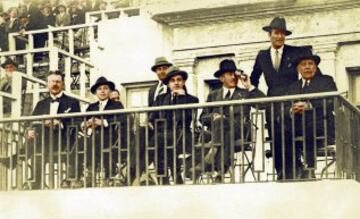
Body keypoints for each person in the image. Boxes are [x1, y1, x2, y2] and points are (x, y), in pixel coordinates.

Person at [249, 16, 310, 180]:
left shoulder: (294, 52)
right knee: (275, 135)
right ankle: (281, 171)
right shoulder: (262, 55)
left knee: (289, 131)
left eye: (282, 33)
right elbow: (254, 78)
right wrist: (249, 91)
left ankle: (296, 167)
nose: (279, 37)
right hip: (272, 101)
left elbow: (307, 70)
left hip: (291, 97)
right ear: (269, 35)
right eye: (276, 33)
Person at [0, 71, 81, 189]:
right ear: (47, 84)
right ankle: (35, 182)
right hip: (44, 142)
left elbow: (77, 122)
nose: (55, 84)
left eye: (58, 81)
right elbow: (31, 122)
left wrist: (61, 124)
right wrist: (30, 130)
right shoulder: (41, 104)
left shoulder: (72, 102)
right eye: (52, 81)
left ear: (62, 84)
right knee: (39, 140)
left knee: (39, 139)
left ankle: (17, 160)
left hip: (64, 141)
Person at [199, 59, 265, 182]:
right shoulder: (213, 95)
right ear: (221, 78)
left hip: (239, 131)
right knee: (222, 126)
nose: (233, 77)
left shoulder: (245, 93)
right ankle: (220, 171)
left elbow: (263, 104)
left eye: (235, 74)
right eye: (229, 74)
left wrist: (249, 86)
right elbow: (202, 118)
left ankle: (212, 154)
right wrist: (213, 116)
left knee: (225, 126)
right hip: (221, 133)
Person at [286, 51, 337, 179]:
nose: (307, 67)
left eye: (310, 63)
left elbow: (332, 101)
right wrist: (292, 110)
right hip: (298, 125)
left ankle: (309, 169)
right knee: (280, 131)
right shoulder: (293, 87)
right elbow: (286, 104)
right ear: (298, 68)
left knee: (309, 125)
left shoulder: (326, 81)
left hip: (323, 123)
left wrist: (310, 106)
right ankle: (290, 170)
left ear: (315, 66)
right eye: (303, 64)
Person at [148, 66, 199, 184]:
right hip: (163, 135)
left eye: (179, 80)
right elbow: (152, 118)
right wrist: (152, 125)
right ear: (168, 84)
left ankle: (159, 176)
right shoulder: (160, 99)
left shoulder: (192, 99)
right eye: (172, 80)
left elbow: (183, 118)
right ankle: (169, 177)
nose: (176, 83)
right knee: (157, 140)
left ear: (184, 82)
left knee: (158, 140)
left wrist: (181, 97)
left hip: (182, 136)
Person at [82, 77, 135, 186]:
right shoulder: (91, 107)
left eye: (105, 88)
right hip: (93, 137)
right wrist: (86, 124)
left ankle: (103, 175)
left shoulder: (116, 105)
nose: (102, 91)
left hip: (112, 138)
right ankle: (81, 175)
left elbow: (123, 119)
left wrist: (103, 122)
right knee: (80, 142)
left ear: (110, 91)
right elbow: (84, 120)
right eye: (99, 89)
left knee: (98, 142)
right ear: (95, 92)